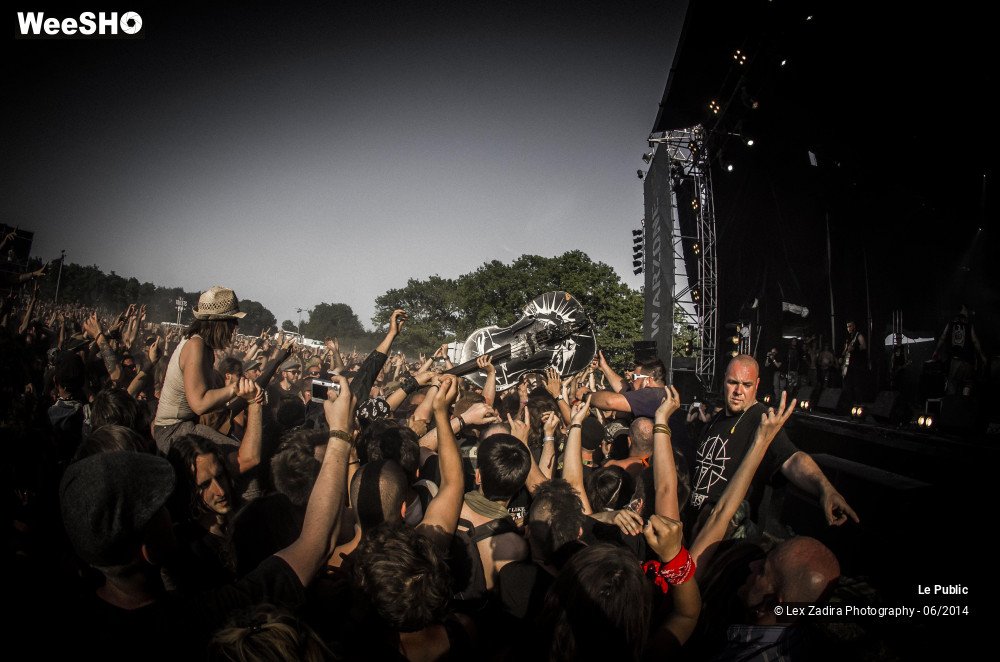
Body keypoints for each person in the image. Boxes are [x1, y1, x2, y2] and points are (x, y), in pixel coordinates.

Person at [688, 355, 858, 540]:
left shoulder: (762, 420)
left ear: (757, 385)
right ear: (724, 380)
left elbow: (792, 459)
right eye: (733, 382)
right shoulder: (716, 420)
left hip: (729, 540)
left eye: (747, 385)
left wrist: (824, 488)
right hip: (697, 530)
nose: (738, 391)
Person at [152, 286, 263, 460]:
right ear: (220, 323)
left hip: (183, 426)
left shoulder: (203, 347)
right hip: (173, 430)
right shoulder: (196, 345)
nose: (236, 327)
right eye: (233, 321)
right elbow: (200, 404)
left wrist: (249, 396)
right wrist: (235, 388)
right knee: (243, 459)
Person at [933, 305, 987, 396]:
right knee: (967, 384)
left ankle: (953, 407)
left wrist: (936, 351)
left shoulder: (950, 323)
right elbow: (974, 340)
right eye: (965, 310)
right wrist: (982, 356)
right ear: (962, 311)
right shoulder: (969, 324)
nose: (967, 312)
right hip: (968, 361)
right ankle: (964, 405)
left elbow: (943, 337)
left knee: (952, 385)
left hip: (955, 361)